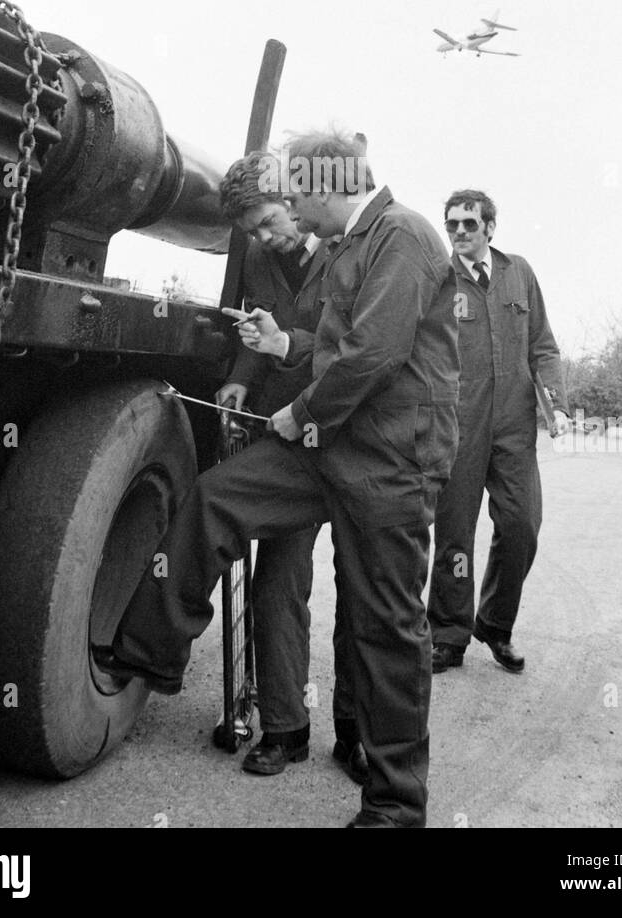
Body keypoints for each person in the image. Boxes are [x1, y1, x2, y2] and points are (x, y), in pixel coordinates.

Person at [95, 131, 459, 828]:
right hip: (329, 446)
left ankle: (394, 805)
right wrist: (281, 346)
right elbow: (328, 345)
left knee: (385, 628)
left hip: (387, 461)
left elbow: (372, 356)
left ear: (328, 183)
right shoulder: (353, 244)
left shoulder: (403, 234)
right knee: (217, 499)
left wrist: (298, 412)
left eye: (295, 191)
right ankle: (152, 653)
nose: (288, 205)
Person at [215, 152, 366, 784]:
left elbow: (363, 349)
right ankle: (286, 728)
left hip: (357, 439)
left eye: (270, 221)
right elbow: (256, 330)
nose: (264, 238)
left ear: (296, 197)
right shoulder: (259, 255)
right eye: (252, 230)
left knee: (364, 592)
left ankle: (357, 735)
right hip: (288, 439)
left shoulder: (352, 244)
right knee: (278, 582)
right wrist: (240, 381)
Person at [427, 189, 568, 675]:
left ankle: (495, 624)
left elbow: (543, 346)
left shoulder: (519, 273)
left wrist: (558, 404)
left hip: (513, 424)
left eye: (469, 224)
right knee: (454, 535)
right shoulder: (437, 279)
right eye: (452, 225)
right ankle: (447, 634)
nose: (460, 232)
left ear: (490, 227)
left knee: (522, 525)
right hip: (458, 425)